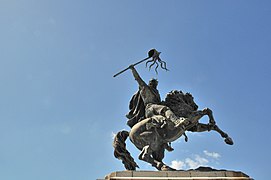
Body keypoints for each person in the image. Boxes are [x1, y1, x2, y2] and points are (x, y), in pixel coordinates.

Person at [126, 65, 189, 134]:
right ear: (150, 83)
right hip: (150, 108)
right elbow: (138, 79)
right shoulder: (145, 88)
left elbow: (159, 103)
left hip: (156, 107)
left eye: (156, 83)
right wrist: (133, 69)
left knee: (168, 111)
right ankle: (177, 121)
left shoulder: (156, 93)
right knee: (165, 109)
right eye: (153, 82)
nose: (155, 84)